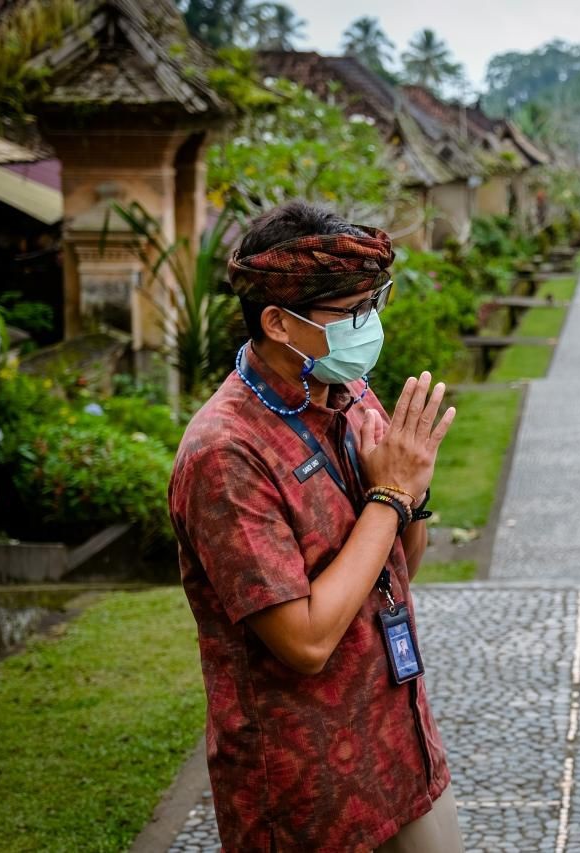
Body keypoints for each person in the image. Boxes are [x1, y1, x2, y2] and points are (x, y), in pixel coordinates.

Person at [169, 201, 462, 852]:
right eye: (353, 312)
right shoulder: (226, 453)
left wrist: (412, 486)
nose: (371, 325)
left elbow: (401, 562)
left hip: (399, 740)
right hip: (304, 785)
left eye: (375, 303)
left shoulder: (350, 390)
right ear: (278, 321)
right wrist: (389, 495)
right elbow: (303, 641)